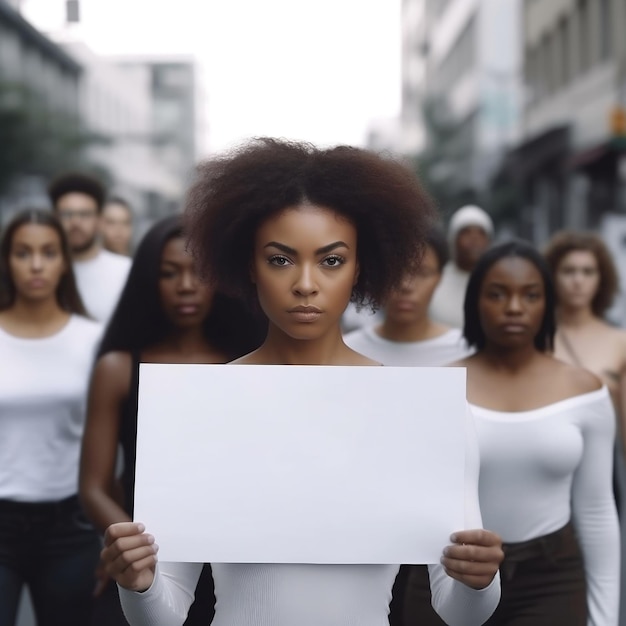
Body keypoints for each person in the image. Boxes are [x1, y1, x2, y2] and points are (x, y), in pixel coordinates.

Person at [100, 138, 503, 626]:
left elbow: (461, 612)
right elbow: (165, 612)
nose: (306, 283)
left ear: (360, 268)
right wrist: (137, 582)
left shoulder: (419, 412)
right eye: (280, 259)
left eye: (331, 260)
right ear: (248, 265)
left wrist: (479, 579)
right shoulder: (203, 405)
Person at [80, 214, 266, 625]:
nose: (185, 285)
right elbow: (93, 486)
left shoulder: (249, 366)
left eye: (199, 272)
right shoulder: (118, 368)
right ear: (149, 280)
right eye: (169, 273)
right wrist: (130, 547)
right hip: (146, 560)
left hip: (229, 559)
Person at [453, 240, 619, 625]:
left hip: (552, 578)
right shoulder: (440, 386)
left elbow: (595, 510)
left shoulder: (585, 390)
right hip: (455, 572)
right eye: (497, 294)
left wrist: (605, 618)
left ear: (547, 304)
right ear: (475, 302)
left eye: (530, 295)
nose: (514, 307)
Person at [0, 209, 103, 625]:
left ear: (65, 262)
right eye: (24, 253)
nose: (37, 265)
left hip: (70, 527)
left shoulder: (93, 339)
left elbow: (113, 439)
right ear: (8, 261)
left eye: (48, 252)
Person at [544, 231, 626, 454]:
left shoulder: (620, 342)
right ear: (551, 275)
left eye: (588, 272)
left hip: (605, 464)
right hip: (547, 458)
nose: (578, 280)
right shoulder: (534, 340)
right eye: (568, 271)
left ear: (602, 278)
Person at [343, 226, 472, 366]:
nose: (406, 285)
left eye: (422, 273)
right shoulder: (350, 350)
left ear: (440, 277)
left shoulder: (465, 352)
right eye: (394, 272)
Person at [48, 172, 131, 323]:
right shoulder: (39, 271)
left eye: (85, 214)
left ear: (100, 220)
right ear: (54, 218)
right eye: (67, 214)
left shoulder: (127, 271)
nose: (75, 223)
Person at [429, 205, 493, 329]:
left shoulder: (498, 280)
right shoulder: (437, 279)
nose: (474, 239)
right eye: (466, 232)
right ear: (453, 239)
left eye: (481, 233)